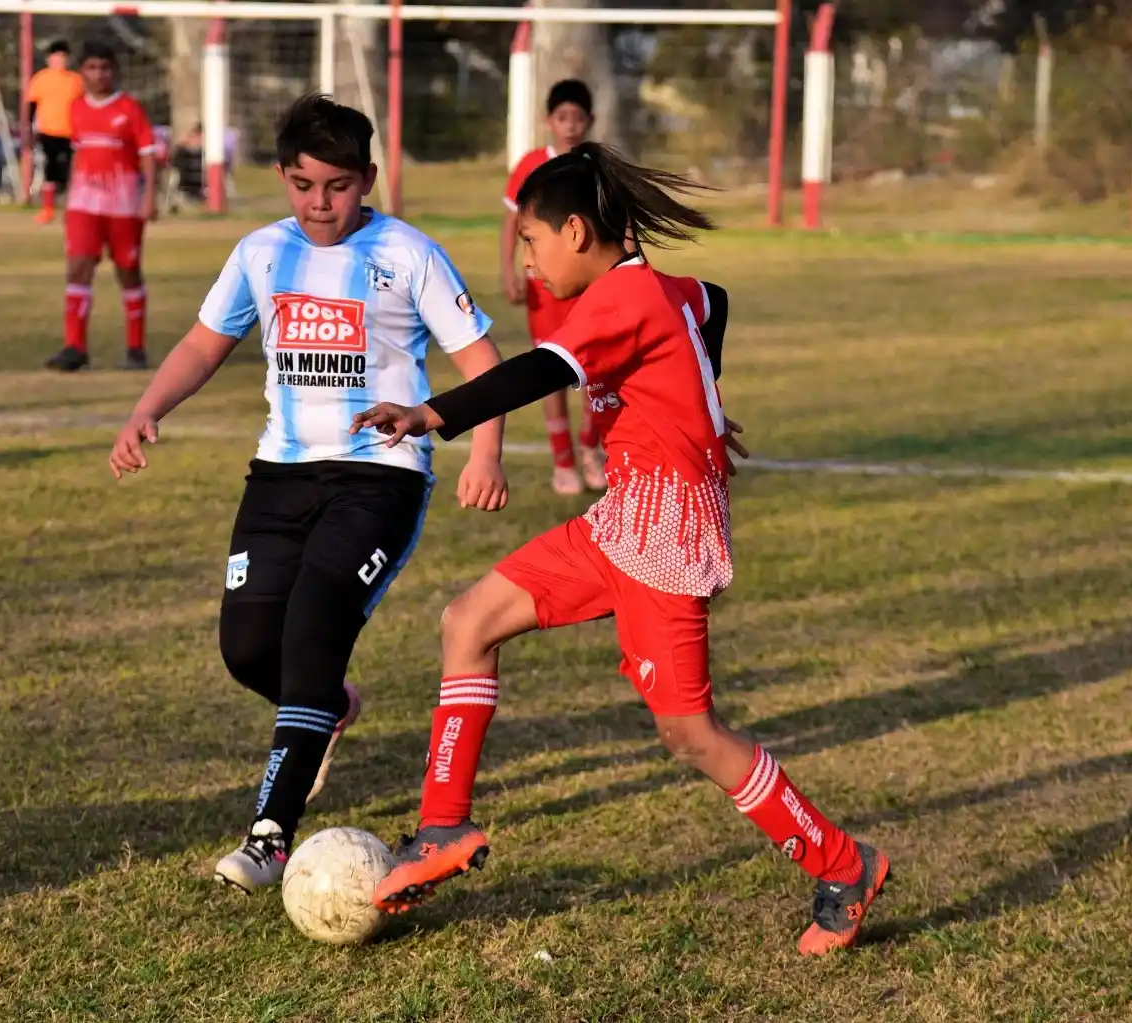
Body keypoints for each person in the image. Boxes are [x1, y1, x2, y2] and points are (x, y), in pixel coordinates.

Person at [353, 143, 891, 957]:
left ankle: (847, 864)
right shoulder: (662, 289)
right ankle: (441, 828)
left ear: (575, 231)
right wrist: (700, 400)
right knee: (468, 620)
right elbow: (713, 302)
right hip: (624, 518)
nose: (528, 262)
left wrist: (432, 414)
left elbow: (536, 370)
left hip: (667, 532)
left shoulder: (620, 298)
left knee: (692, 734)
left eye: (531, 242)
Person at [107, 93, 510, 895]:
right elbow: (203, 342)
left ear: (367, 178)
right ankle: (326, 705)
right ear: (283, 179)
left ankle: (268, 837)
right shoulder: (261, 252)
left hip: (380, 475)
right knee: (250, 649)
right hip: (279, 474)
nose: (319, 204)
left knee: (315, 626)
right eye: (301, 185)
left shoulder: (409, 253)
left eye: (336, 185)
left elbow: (484, 359)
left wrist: (485, 454)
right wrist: (147, 409)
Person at [502, 79, 604, 496]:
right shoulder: (530, 165)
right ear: (549, 121)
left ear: (590, 121)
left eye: (578, 117)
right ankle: (563, 460)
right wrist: (507, 269)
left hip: (588, 284)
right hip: (544, 287)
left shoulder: (595, 165)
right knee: (553, 372)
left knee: (595, 369)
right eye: (562, 117)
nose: (570, 125)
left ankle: (591, 450)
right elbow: (511, 220)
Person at [44, 41, 157, 372]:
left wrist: (149, 196)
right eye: (92, 68)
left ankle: (136, 349)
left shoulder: (130, 109)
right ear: (82, 73)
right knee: (78, 267)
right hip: (83, 205)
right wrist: (67, 197)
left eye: (105, 68)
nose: (99, 74)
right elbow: (79, 154)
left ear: (114, 71)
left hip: (123, 205)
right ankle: (74, 347)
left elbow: (148, 155)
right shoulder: (76, 108)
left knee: (128, 271)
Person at [27, 40, 84, 225]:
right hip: (48, 131)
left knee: (69, 171)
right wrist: (29, 129)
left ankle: (71, 209)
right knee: (49, 169)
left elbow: (83, 106)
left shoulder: (75, 80)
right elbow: (32, 106)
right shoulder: (40, 79)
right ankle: (48, 210)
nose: (59, 61)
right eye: (56, 57)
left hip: (71, 132)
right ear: (49, 59)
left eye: (63, 57)